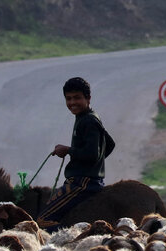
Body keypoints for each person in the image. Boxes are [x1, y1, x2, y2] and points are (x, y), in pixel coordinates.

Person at [36, 76, 116, 230]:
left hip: (83, 183)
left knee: (43, 220)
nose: (72, 103)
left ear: (88, 98)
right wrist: (96, 164)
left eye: (77, 98)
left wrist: (68, 150)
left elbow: (92, 154)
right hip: (87, 179)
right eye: (68, 99)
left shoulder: (88, 121)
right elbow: (110, 144)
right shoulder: (87, 117)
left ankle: (64, 244)